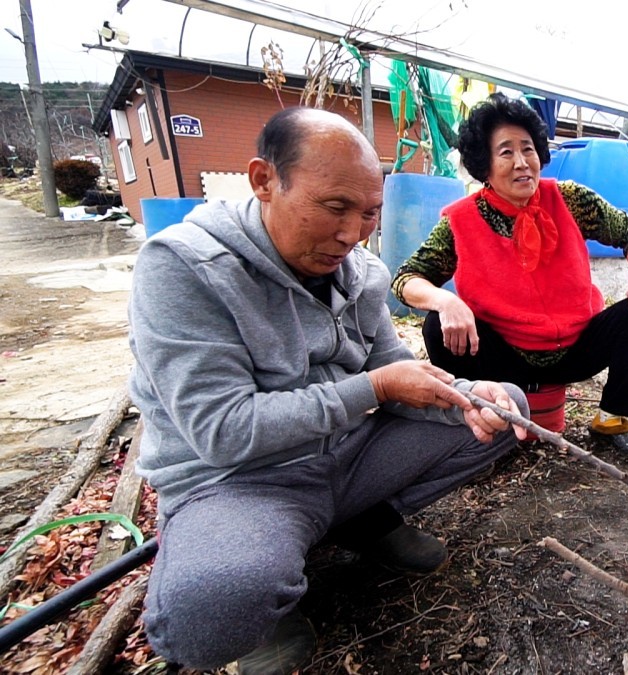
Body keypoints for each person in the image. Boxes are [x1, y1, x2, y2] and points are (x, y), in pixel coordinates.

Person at [127, 107, 527, 674]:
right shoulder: (185, 267)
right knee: (207, 617)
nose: (351, 234)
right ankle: (258, 582)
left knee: (505, 407)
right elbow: (223, 431)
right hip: (242, 481)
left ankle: (357, 519)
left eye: (369, 214)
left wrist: (467, 394)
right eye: (335, 207)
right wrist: (374, 387)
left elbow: (393, 373)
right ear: (265, 180)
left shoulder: (359, 271)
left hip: (347, 453)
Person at [393, 93, 628, 461]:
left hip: (575, 348)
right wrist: (446, 301)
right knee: (438, 326)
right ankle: (473, 423)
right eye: (506, 152)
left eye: (528, 149)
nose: (522, 162)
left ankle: (613, 419)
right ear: (484, 165)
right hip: (502, 356)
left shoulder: (569, 199)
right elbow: (406, 278)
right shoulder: (460, 221)